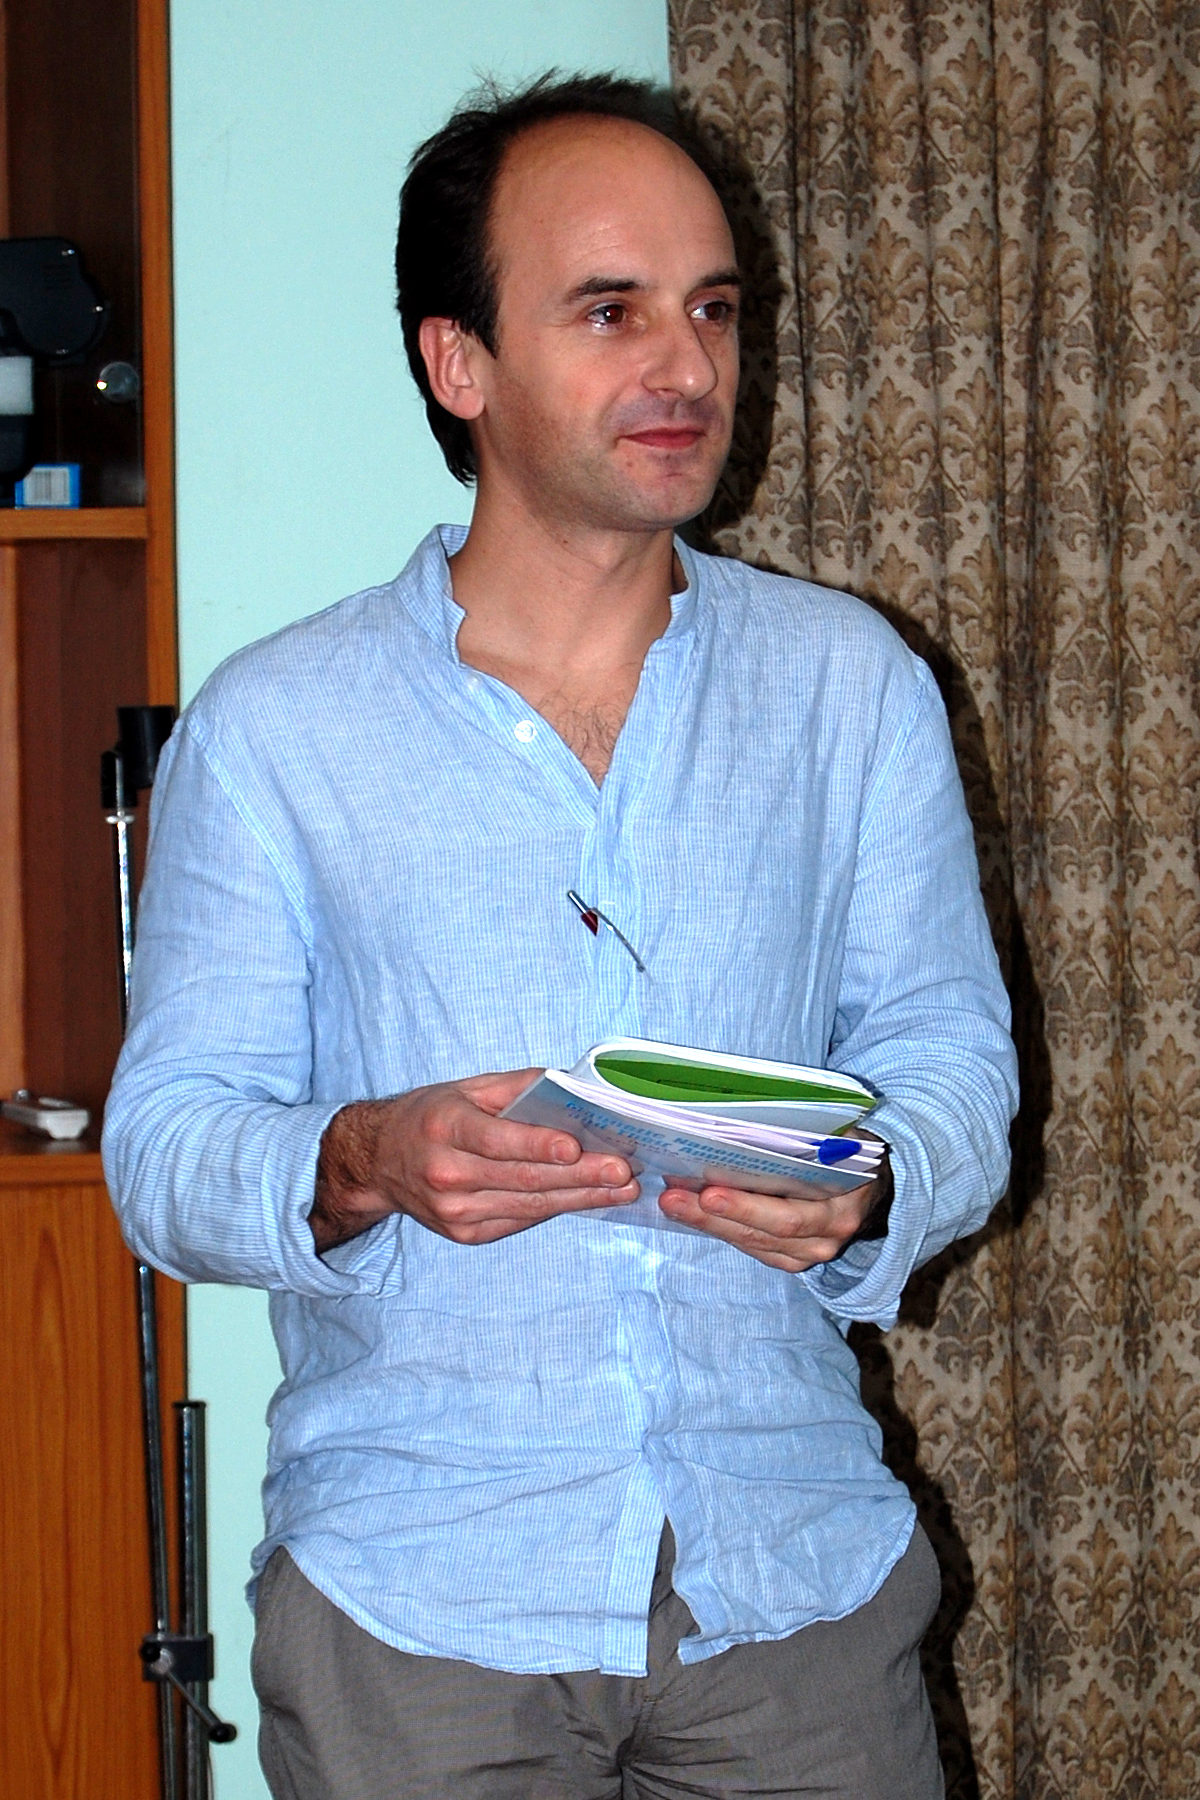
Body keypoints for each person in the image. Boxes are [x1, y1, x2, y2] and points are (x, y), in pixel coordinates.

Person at [104, 72, 1017, 1800]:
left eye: (712, 310)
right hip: (420, 1607)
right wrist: (360, 1158)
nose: (686, 366)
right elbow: (162, 1151)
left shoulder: (852, 690)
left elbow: (956, 1062)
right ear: (459, 363)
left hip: (794, 1590)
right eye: (610, 311)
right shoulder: (278, 728)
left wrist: (874, 1179)